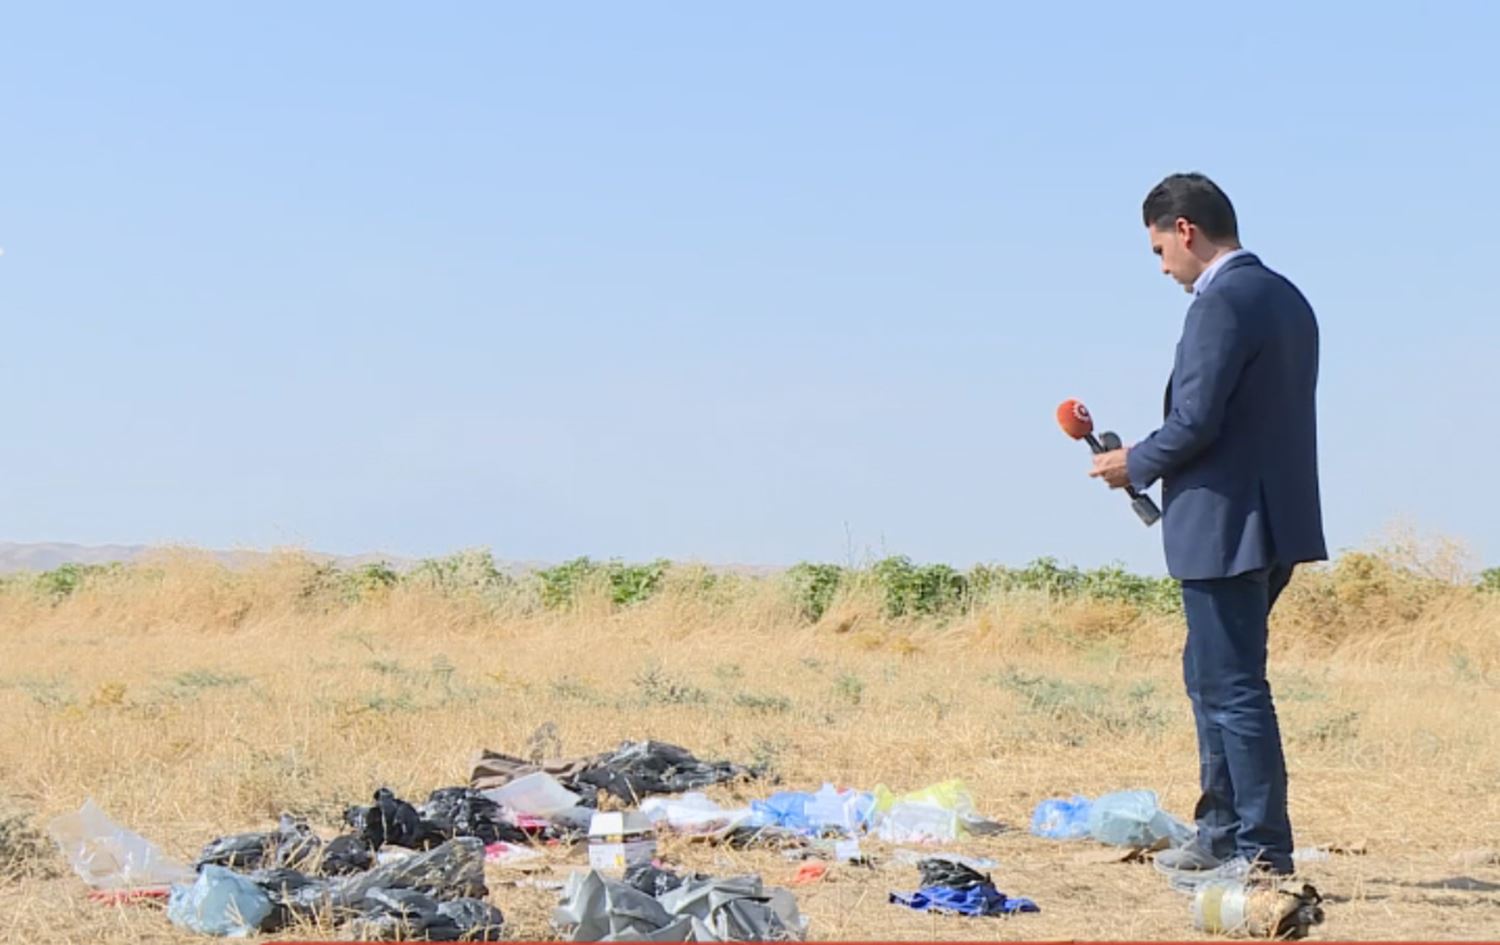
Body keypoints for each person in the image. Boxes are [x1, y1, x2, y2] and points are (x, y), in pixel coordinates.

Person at [1088, 173, 1327, 876]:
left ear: (1185, 230)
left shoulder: (1220, 302)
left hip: (1226, 524)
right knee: (1211, 675)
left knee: (1233, 687)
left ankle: (1260, 851)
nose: (1163, 267)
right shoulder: (1286, 297)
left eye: (1160, 249)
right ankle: (1219, 833)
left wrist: (1133, 462)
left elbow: (1197, 420)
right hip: (1275, 521)